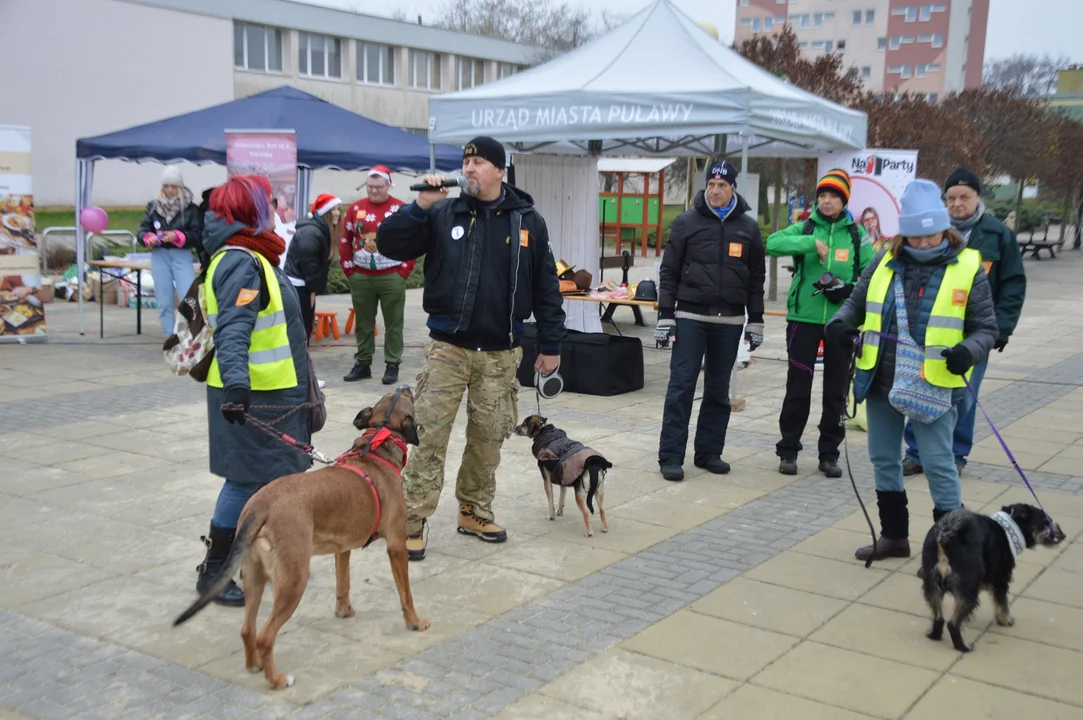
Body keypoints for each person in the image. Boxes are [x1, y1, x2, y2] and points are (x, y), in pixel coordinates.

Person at [375, 136, 566, 561]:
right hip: (448, 348)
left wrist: (551, 343)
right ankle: (410, 521)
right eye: (466, 161)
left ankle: (474, 511)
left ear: (500, 170)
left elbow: (546, 287)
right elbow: (388, 244)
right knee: (428, 437)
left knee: (489, 438)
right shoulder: (442, 213)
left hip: (501, 353)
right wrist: (419, 206)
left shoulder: (527, 220)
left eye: (479, 162)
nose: (470, 168)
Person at [825, 179, 999, 561]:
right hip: (881, 379)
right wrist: (839, 323)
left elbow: (987, 328)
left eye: (931, 233)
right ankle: (894, 537)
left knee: (938, 464)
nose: (923, 242)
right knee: (884, 459)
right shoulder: (885, 260)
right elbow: (855, 303)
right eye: (915, 235)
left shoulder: (968, 266)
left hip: (935, 383)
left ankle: (951, 549)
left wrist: (968, 352)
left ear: (944, 227)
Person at [194, 174, 312, 605]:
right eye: (269, 201)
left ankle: (269, 561)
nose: (276, 205)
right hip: (253, 398)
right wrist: (238, 388)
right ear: (252, 210)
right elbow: (234, 329)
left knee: (277, 482)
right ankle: (216, 573)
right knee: (245, 483)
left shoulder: (253, 255)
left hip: (274, 394)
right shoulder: (240, 261)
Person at [902, 168, 1026, 477]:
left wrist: (1002, 328)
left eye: (964, 197)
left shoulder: (998, 234)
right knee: (920, 389)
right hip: (928, 331)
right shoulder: (930, 233)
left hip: (973, 334)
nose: (957, 204)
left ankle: (956, 455)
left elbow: (1013, 284)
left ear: (977, 198)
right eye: (951, 198)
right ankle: (916, 453)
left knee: (964, 398)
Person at [656, 160, 766, 482]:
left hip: (730, 322)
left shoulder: (748, 227)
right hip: (690, 317)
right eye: (711, 185)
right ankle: (670, 456)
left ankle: (708, 452)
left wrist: (755, 320)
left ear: (733, 188)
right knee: (681, 387)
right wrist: (665, 316)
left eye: (723, 185)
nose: (715, 191)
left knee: (718, 391)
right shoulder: (686, 222)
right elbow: (669, 271)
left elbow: (756, 278)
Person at [766, 169, 874, 477]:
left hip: (842, 322)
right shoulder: (806, 227)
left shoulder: (857, 234)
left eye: (833, 197)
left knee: (836, 390)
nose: (827, 201)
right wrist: (809, 244)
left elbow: (870, 274)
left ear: (844, 201)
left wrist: (848, 289)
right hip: (804, 318)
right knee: (798, 387)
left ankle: (829, 454)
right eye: (822, 196)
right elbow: (772, 243)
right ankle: (788, 450)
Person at [342, 166, 414, 385]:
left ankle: (392, 364)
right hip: (361, 276)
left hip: (392, 275)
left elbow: (412, 240)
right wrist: (349, 270)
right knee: (363, 322)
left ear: (389, 185)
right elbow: (345, 239)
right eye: (370, 187)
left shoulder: (401, 209)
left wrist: (404, 271)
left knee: (394, 323)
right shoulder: (355, 209)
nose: (373, 192)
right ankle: (363, 363)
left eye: (378, 187)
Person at [138, 167, 202, 335]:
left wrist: (178, 236)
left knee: (188, 299)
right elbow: (142, 230)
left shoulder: (191, 209)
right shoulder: (153, 207)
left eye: (173, 186)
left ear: (180, 187)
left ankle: (189, 337)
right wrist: (148, 237)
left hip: (181, 256)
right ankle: (170, 337)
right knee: (164, 301)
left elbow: (198, 235)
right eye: (166, 186)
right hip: (159, 256)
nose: (170, 190)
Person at [284, 193, 341, 341]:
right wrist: (313, 290)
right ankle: (301, 362)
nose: (337, 213)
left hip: (304, 285)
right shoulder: (311, 232)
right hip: (299, 286)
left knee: (304, 328)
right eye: (333, 209)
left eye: (338, 209)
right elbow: (309, 265)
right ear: (325, 212)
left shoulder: (320, 229)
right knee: (302, 329)